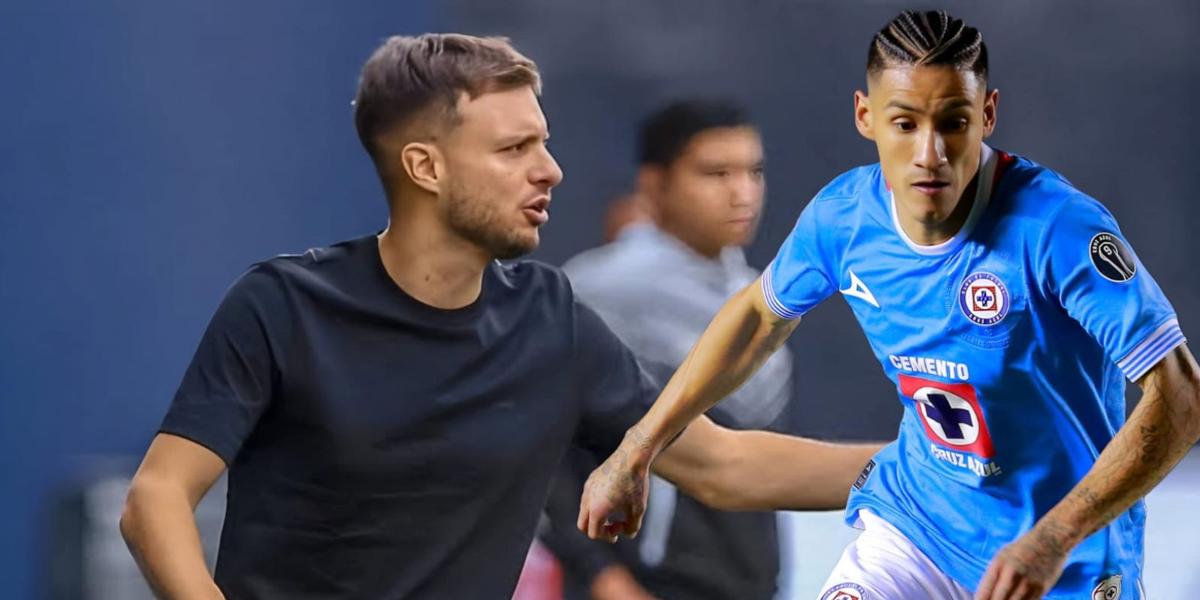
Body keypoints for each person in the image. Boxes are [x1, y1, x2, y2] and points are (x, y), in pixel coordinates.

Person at [117, 33, 880, 599]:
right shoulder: (280, 306)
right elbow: (155, 500)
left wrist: (947, 464)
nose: (550, 169)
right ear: (425, 167)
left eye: (543, 143)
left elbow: (723, 464)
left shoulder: (551, 318)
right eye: (515, 148)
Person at [579, 10, 1200, 600]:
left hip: (1065, 556)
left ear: (987, 113)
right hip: (920, 530)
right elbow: (755, 318)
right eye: (905, 123)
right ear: (865, 116)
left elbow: (1181, 398)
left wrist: (1054, 537)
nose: (930, 153)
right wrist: (637, 449)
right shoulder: (844, 217)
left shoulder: (1058, 229)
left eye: (953, 122)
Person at [541, 99, 795, 600]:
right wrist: (604, 578)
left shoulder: (760, 298)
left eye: (753, 171)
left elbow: (753, 465)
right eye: (715, 172)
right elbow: (542, 451)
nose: (741, 192)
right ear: (655, 184)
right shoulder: (599, 291)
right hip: (645, 584)